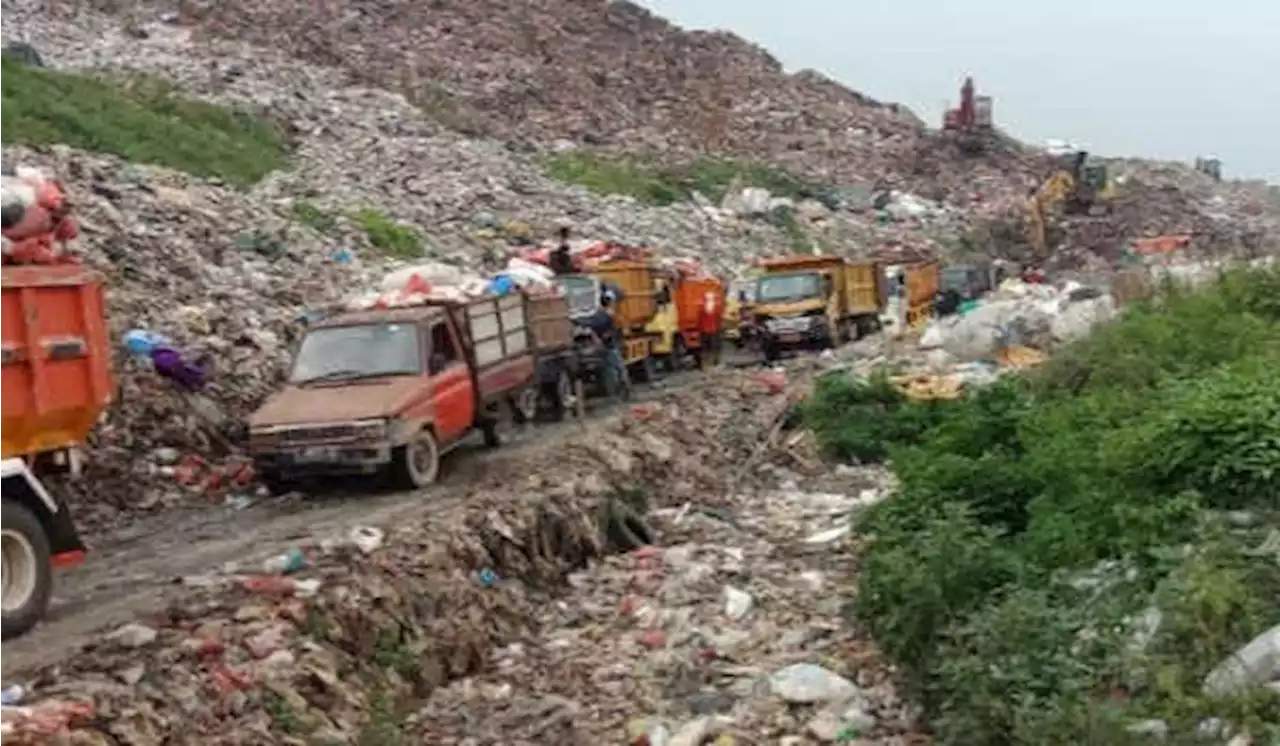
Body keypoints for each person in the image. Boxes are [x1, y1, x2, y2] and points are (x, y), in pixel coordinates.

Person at [585, 291, 627, 398]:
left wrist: (596, 340)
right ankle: (622, 390)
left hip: (602, 347)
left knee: (608, 370)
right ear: (609, 303)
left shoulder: (596, 315)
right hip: (610, 345)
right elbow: (614, 330)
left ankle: (612, 392)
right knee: (618, 369)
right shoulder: (608, 316)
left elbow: (590, 328)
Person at [698, 288, 722, 368]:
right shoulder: (716, 308)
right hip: (713, 330)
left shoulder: (702, 309)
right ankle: (714, 362)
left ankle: (705, 364)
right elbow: (718, 319)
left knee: (704, 348)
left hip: (704, 331)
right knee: (714, 347)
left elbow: (700, 320)